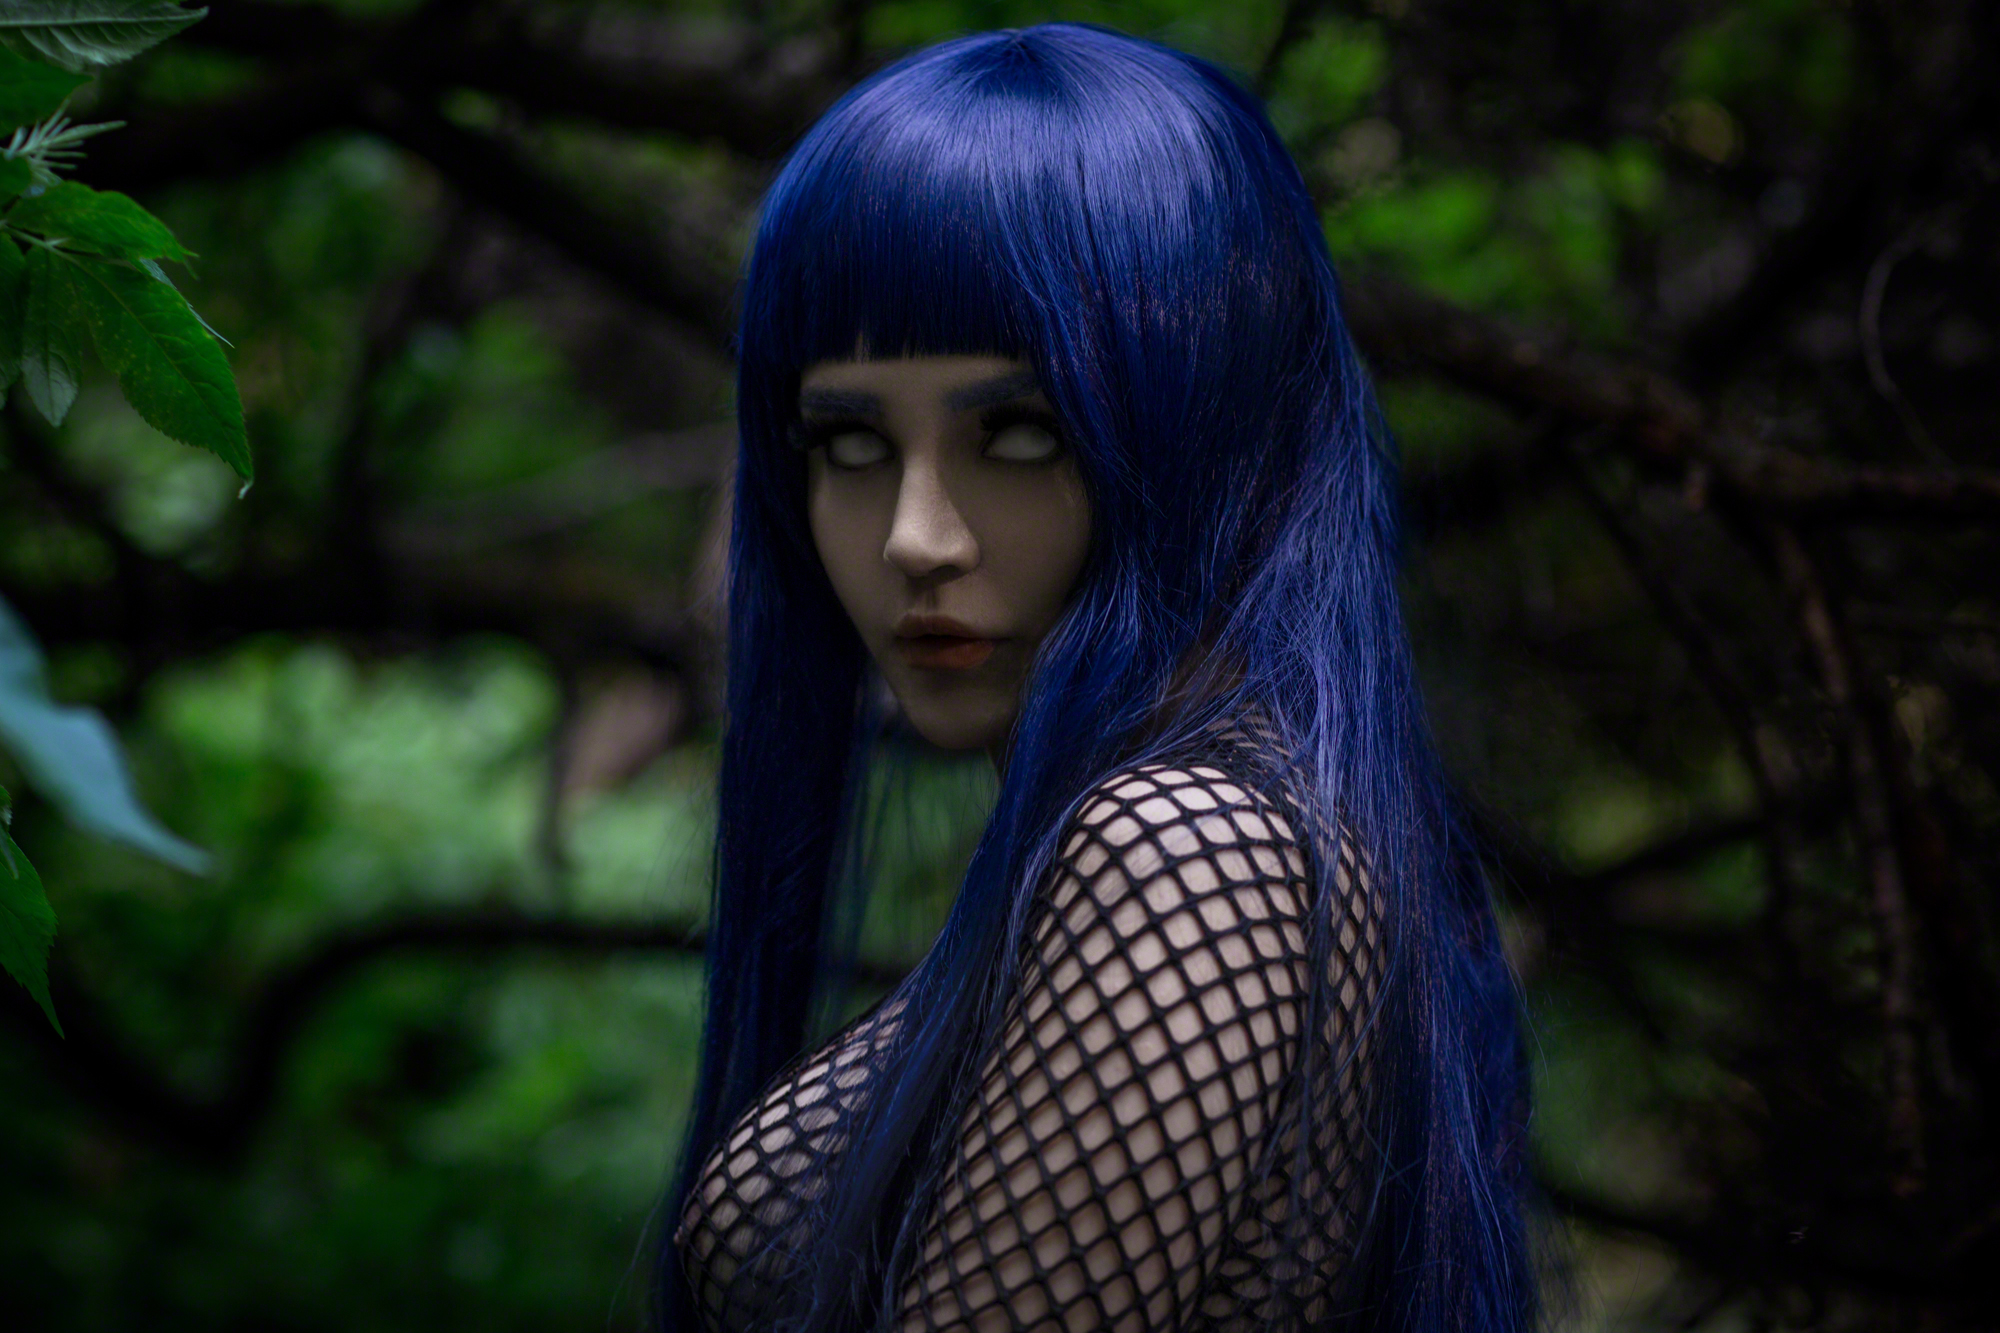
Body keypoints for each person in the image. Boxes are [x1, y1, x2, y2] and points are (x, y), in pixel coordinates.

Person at [656, 22, 1534, 1333]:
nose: (916, 537)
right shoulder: (1219, 824)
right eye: (848, 442)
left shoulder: (1188, 852)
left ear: (1200, 430)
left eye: (1019, 432)